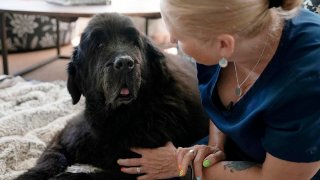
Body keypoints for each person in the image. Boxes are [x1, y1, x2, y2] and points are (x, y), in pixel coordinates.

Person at [117, 0, 320, 179]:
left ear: (223, 44)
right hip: (242, 151)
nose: (171, 40)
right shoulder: (226, 31)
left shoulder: (307, 80)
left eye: (179, 37)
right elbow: (221, 106)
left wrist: (179, 166)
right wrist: (215, 146)